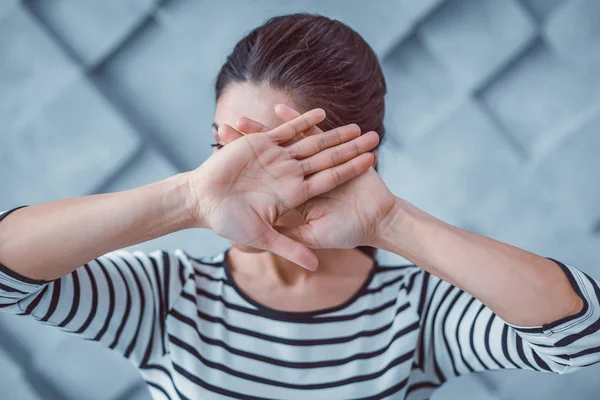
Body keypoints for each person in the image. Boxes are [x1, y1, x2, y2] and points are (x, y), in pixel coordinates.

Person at [0, 13, 599, 400]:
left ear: (349, 157)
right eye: (222, 146)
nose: (235, 173)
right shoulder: (167, 297)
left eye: (272, 149)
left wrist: (392, 223)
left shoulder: (415, 314)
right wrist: (185, 199)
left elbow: (582, 341)